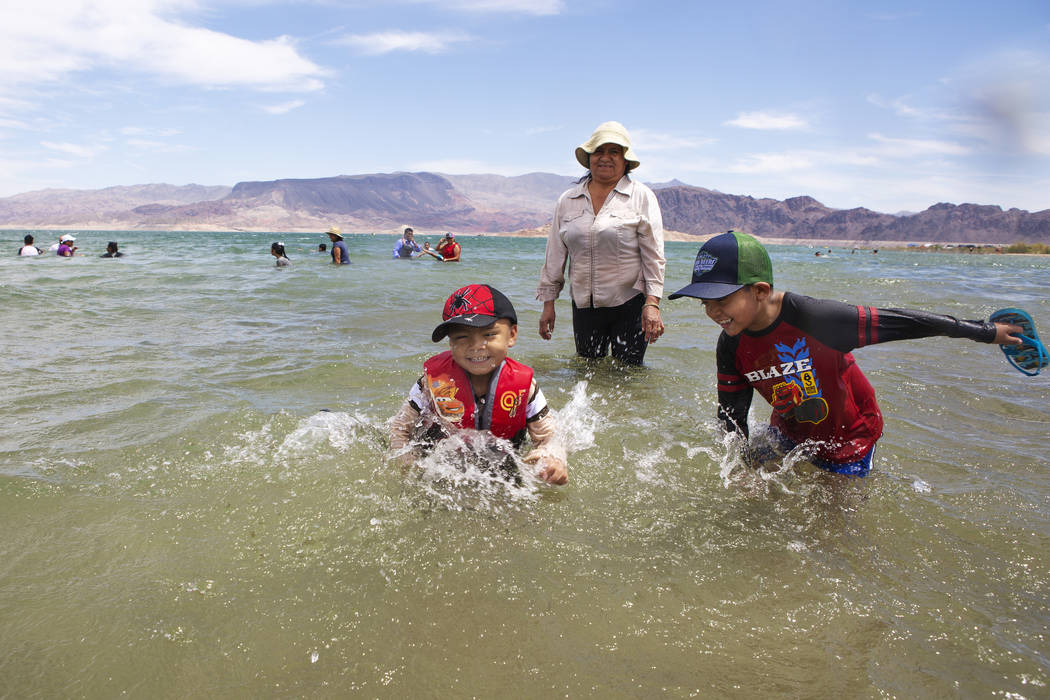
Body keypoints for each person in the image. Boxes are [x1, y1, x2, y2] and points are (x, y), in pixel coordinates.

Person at [668, 230, 1024, 477]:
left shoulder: (815, 318)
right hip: (790, 429)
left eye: (721, 299)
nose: (712, 311)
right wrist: (740, 469)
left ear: (760, 290)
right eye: (704, 302)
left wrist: (985, 332)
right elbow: (731, 417)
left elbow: (905, 322)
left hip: (850, 435)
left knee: (833, 527)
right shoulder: (731, 343)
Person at [388, 283, 568, 485]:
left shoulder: (527, 388)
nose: (476, 346)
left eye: (489, 334)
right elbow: (400, 428)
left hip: (502, 464)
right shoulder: (430, 383)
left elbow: (548, 437)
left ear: (512, 335)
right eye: (462, 337)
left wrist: (553, 458)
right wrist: (405, 458)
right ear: (450, 343)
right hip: (444, 466)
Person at [536, 121, 666, 365]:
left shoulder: (641, 197)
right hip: (584, 306)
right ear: (589, 158)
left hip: (629, 304)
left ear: (625, 160)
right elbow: (555, 254)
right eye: (599, 151)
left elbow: (654, 256)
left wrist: (652, 304)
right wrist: (548, 304)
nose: (605, 158)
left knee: (629, 376)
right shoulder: (568, 200)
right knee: (587, 373)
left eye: (614, 152)